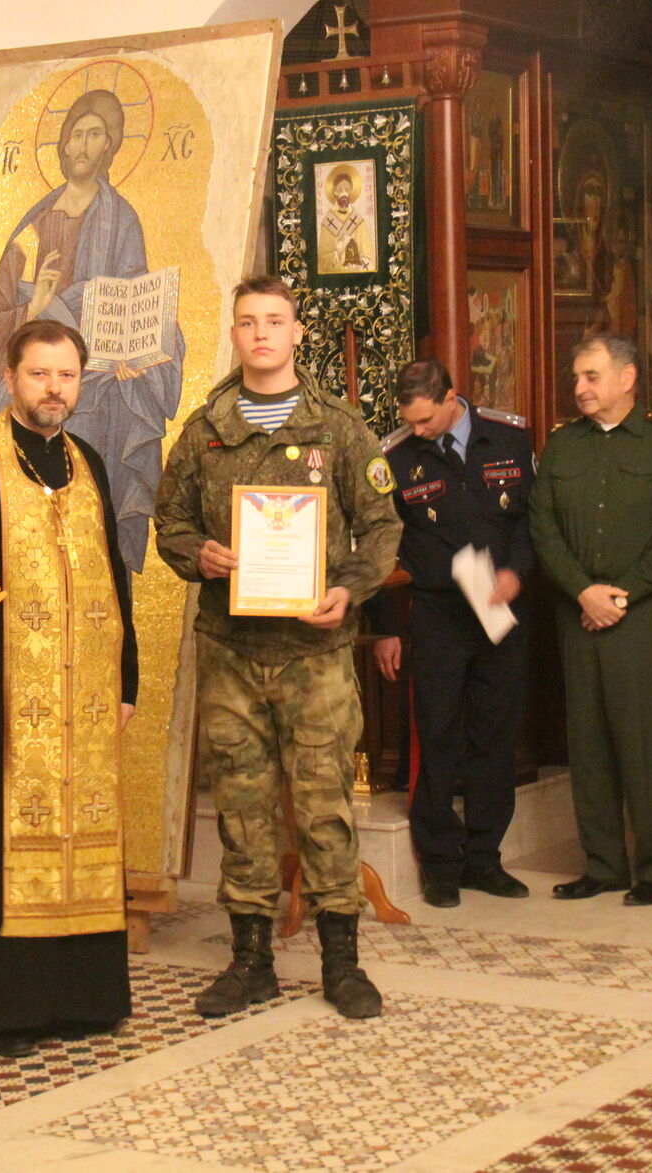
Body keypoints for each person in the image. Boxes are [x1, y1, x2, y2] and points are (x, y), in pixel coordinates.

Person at [155, 274, 401, 1020]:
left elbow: (382, 526)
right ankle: (251, 959)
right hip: (231, 650)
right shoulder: (204, 429)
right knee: (241, 804)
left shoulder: (341, 428)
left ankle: (341, 962)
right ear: (234, 334)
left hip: (314, 652)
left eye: (273, 321)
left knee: (325, 803)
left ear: (297, 333)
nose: (260, 333)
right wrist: (199, 554)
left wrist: (348, 590)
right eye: (247, 322)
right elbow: (169, 523)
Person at [0, 318, 138, 1057]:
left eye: (66, 375)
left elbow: (115, 578)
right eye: (40, 374)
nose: (53, 388)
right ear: (10, 377)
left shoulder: (87, 463)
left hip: (85, 705)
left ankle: (82, 998)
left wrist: (126, 680)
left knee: (84, 844)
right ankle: (7, 1008)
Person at [0, 86, 182, 573]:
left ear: (110, 146)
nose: (83, 145)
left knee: (91, 531)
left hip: (101, 400)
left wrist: (140, 351)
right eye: (76, 134)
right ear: (62, 144)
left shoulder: (122, 218)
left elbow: (136, 293)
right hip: (35, 396)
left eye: (95, 135)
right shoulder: (33, 225)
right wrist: (34, 308)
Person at [528, 333, 652, 906]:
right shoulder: (562, 446)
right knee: (589, 743)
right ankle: (603, 865)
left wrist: (623, 594)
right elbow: (543, 527)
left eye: (592, 376)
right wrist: (583, 591)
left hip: (643, 617)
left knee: (642, 743)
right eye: (576, 377)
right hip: (579, 613)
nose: (579, 388)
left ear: (627, 379)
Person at [364, 358, 536, 908]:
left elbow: (533, 521)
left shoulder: (508, 438)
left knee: (494, 737)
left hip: (500, 611)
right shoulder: (395, 458)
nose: (418, 431)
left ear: (451, 398)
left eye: (427, 420)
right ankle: (440, 863)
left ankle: (485, 857)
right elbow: (377, 546)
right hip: (437, 614)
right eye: (409, 422)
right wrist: (385, 627)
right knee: (436, 736)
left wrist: (516, 572)